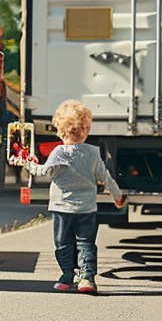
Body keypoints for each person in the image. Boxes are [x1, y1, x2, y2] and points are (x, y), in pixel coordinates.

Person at [27, 99, 125, 294]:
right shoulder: (92, 153)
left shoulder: (58, 153)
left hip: (61, 208)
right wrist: (117, 195)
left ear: (59, 130)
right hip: (87, 208)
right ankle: (87, 278)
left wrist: (27, 163)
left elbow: (42, 171)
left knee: (63, 243)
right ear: (86, 130)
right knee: (86, 243)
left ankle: (66, 276)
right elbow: (105, 177)